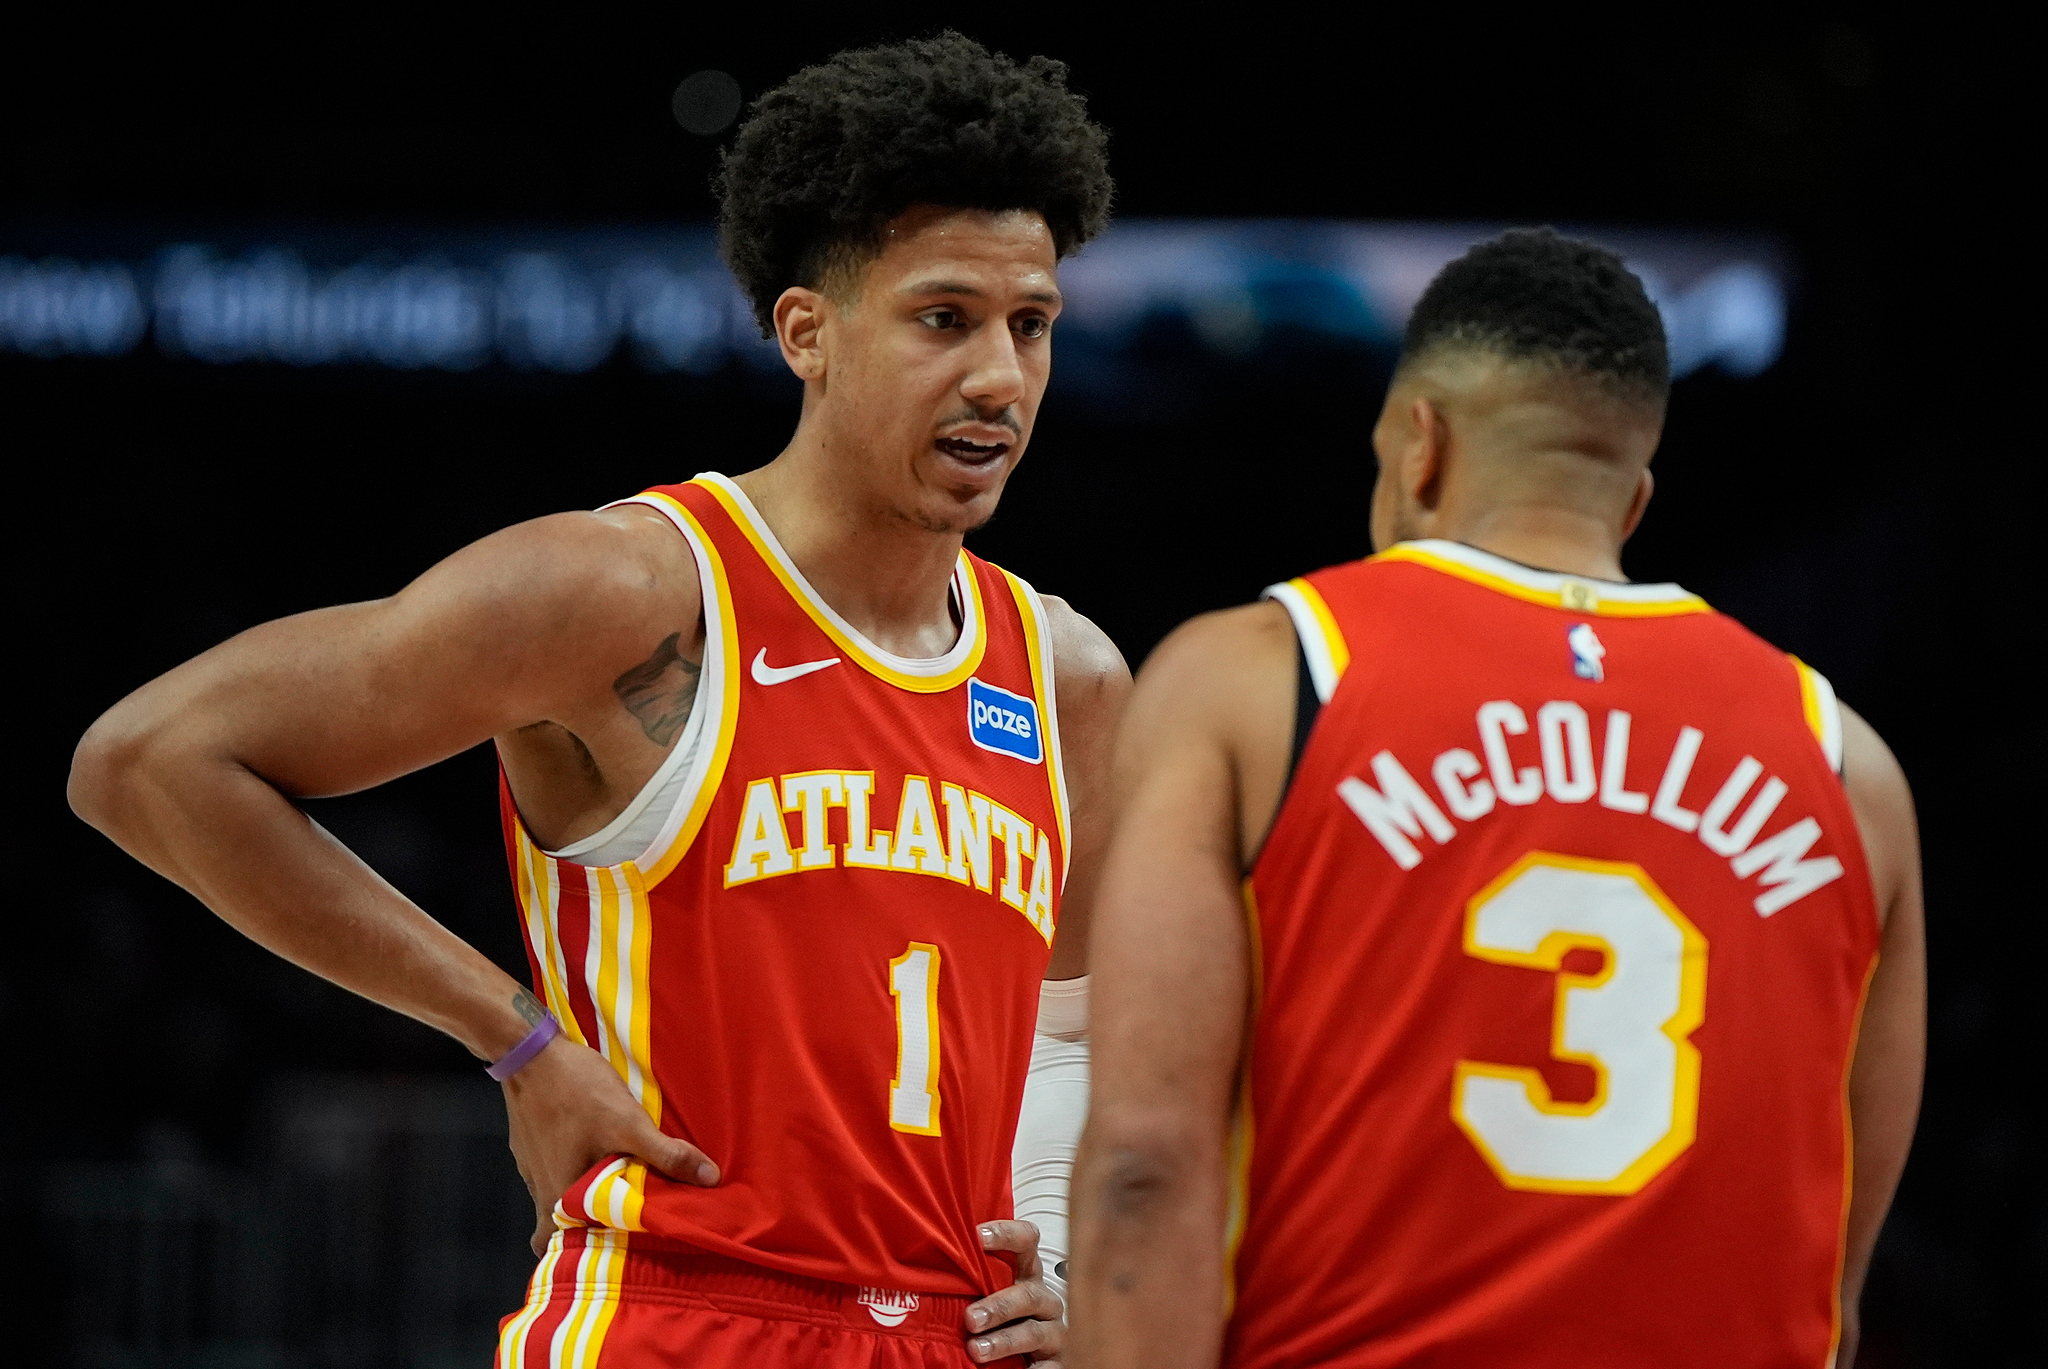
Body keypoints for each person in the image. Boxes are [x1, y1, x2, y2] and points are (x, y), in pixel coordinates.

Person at [69, 31, 1126, 1368]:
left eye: (1030, 325)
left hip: (947, 1337)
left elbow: (1067, 1024)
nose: (999, 377)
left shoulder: (1067, 675)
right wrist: (513, 1039)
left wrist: (1058, 1260)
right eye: (943, 318)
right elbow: (150, 761)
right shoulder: (629, 593)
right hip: (677, 1315)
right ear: (806, 332)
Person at [1066, 229, 1923, 1368]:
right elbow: (1835, 1275)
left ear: (1418, 447)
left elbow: (1145, 1165)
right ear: (1631, 499)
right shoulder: (1850, 766)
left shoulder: (1260, 679)